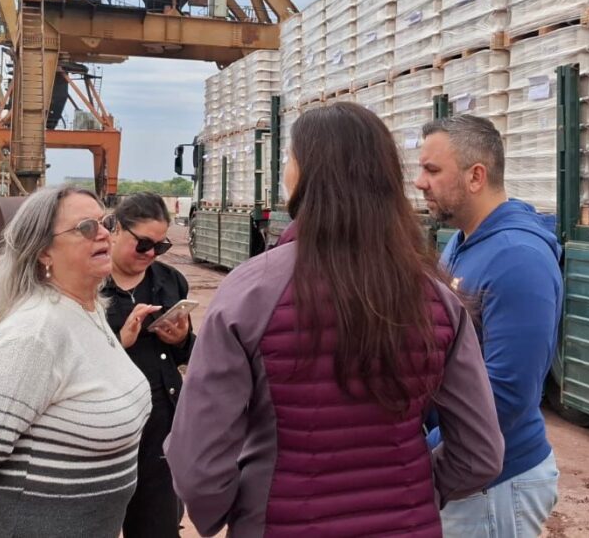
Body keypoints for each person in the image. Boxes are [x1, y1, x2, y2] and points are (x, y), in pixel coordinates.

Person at [166, 103, 503, 537]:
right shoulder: (437, 297)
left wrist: (239, 509)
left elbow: (198, 463)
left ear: (305, 174)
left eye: (289, 160)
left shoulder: (249, 292)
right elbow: (480, 454)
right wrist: (417, 491)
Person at [0, 186, 151, 537]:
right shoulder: (36, 334)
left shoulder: (88, 311)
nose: (104, 234)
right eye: (86, 227)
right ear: (44, 251)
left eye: (106, 222)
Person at [416, 114, 564, 538]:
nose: (420, 183)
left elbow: (508, 393)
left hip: (495, 485)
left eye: (432, 170)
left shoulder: (518, 258)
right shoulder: (462, 244)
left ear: (476, 176)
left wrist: (426, 458)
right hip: (469, 475)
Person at [101, 192, 194, 538]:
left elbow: (185, 355)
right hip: (103, 431)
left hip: (159, 430)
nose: (151, 254)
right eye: (143, 244)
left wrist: (180, 340)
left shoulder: (170, 281)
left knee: (157, 527)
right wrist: (118, 341)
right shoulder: (88, 283)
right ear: (115, 229)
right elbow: (67, 356)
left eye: (160, 246)